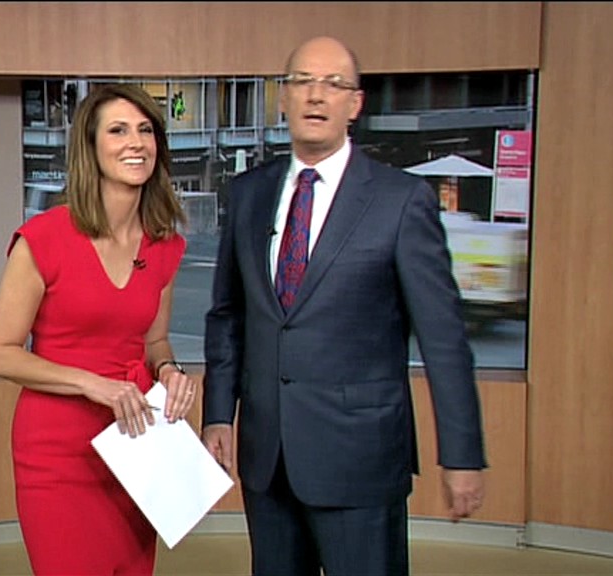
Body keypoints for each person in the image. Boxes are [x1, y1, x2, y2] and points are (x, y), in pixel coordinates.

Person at [202, 36, 487, 576]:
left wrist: (462, 454)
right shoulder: (248, 194)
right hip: (269, 460)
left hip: (361, 460)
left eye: (333, 84)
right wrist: (219, 413)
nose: (316, 95)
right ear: (283, 98)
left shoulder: (401, 200)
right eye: (303, 82)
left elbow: (444, 338)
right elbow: (228, 315)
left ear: (355, 104)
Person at [0, 83, 196, 576]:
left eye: (145, 130)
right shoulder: (44, 238)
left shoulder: (165, 245)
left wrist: (170, 370)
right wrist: (92, 384)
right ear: (91, 147)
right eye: (118, 130)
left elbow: (154, 341)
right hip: (58, 453)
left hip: (136, 444)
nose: (135, 143)